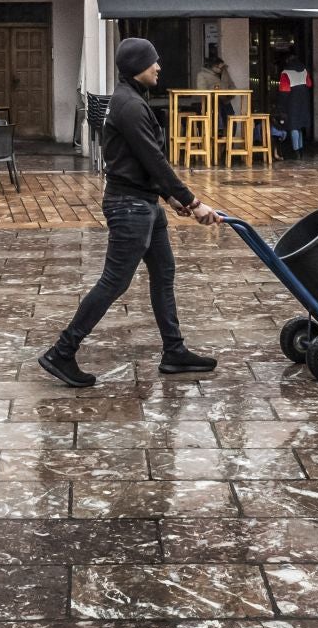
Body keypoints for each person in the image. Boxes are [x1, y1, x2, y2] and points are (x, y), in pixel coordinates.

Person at [39, 37, 219, 388]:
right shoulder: (130, 106)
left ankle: (174, 350)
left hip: (144, 202)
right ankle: (62, 351)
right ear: (138, 65)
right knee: (114, 282)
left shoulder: (129, 100)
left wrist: (170, 200)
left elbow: (142, 161)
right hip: (130, 206)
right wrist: (193, 203)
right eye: (153, 62)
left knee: (164, 272)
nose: (158, 67)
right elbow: (154, 159)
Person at [277, 49, 314, 158]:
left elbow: (284, 90)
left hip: (292, 100)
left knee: (293, 125)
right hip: (304, 99)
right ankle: (301, 149)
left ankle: (296, 151)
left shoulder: (285, 72)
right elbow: (309, 84)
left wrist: (281, 105)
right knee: (300, 125)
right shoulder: (304, 70)